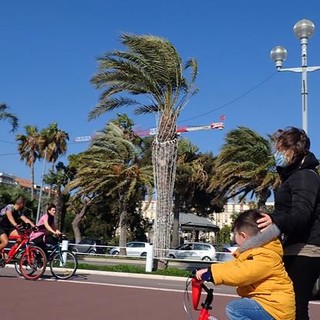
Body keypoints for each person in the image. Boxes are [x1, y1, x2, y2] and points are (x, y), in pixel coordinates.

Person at [257, 127, 320, 320]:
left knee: (295, 307)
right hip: (295, 247)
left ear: (294, 150)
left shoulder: (305, 175)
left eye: (281, 149)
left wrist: (274, 219)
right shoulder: (293, 176)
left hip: (307, 248)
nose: (277, 154)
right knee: (290, 306)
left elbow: (302, 213)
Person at [196, 209, 295, 320]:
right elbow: (235, 266)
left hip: (275, 309)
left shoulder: (265, 255)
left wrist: (213, 275)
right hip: (268, 304)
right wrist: (209, 270)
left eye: (235, 235)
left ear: (243, 236)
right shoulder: (254, 252)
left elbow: (242, 273)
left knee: (235, 309)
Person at [0, 196, 35, 265]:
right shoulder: (9, 207)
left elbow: (25, 219)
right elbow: (10, 216)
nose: (25, 206)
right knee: (5, 242)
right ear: (21, 204)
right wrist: (16, 225)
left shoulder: (19, 211)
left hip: (8, 228)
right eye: (24, 205)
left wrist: (34, 226)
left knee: (21, 237)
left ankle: (11, 254)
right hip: (0, 226)